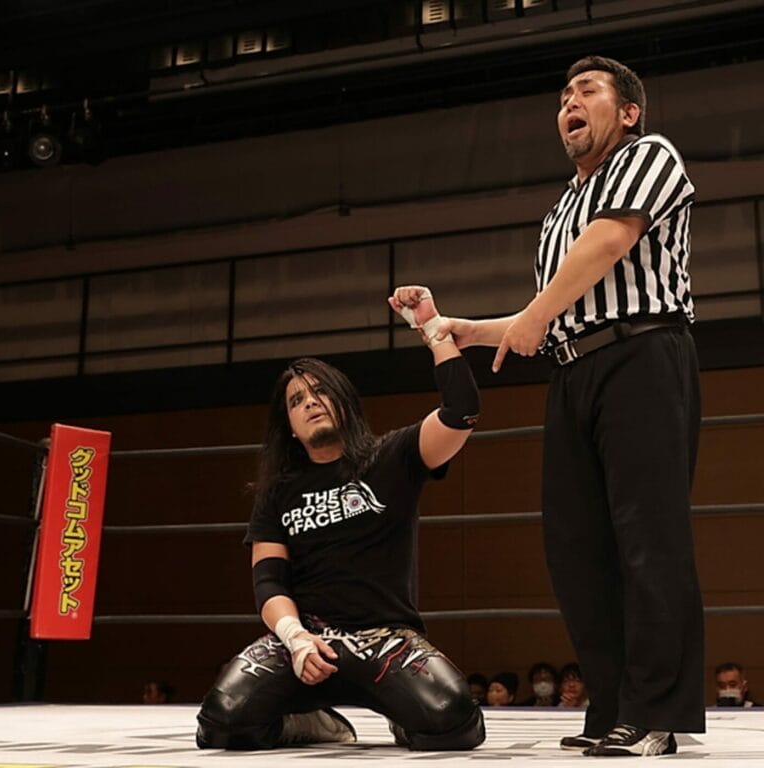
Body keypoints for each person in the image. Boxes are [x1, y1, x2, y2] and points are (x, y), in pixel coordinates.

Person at [432, 55, 704, 756]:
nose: (569, 104)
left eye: (586, 91)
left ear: (629, 110)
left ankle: (657, 712)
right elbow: (545, 316)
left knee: (649, 537)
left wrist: (530, 317)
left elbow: (611, 243)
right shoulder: (559, 210)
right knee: (577, 547)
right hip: (574, 370)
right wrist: (468, 330)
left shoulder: (650, 155)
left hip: (643, 353)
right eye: (562, 97)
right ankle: (611, 705)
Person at [195, 285, 485, 752]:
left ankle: (401, 714)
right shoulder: (277, 492)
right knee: (221, 724)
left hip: (385, 638)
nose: (309, 403)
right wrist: (294, 638)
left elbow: (462, 411)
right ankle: (309, 721)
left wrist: (433, 329)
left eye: (319, 392)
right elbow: (269, 582)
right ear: (290, 426)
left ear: (343, 402)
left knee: (452, 723)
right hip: (308, 639)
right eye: (296, 400)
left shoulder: (393, 456)